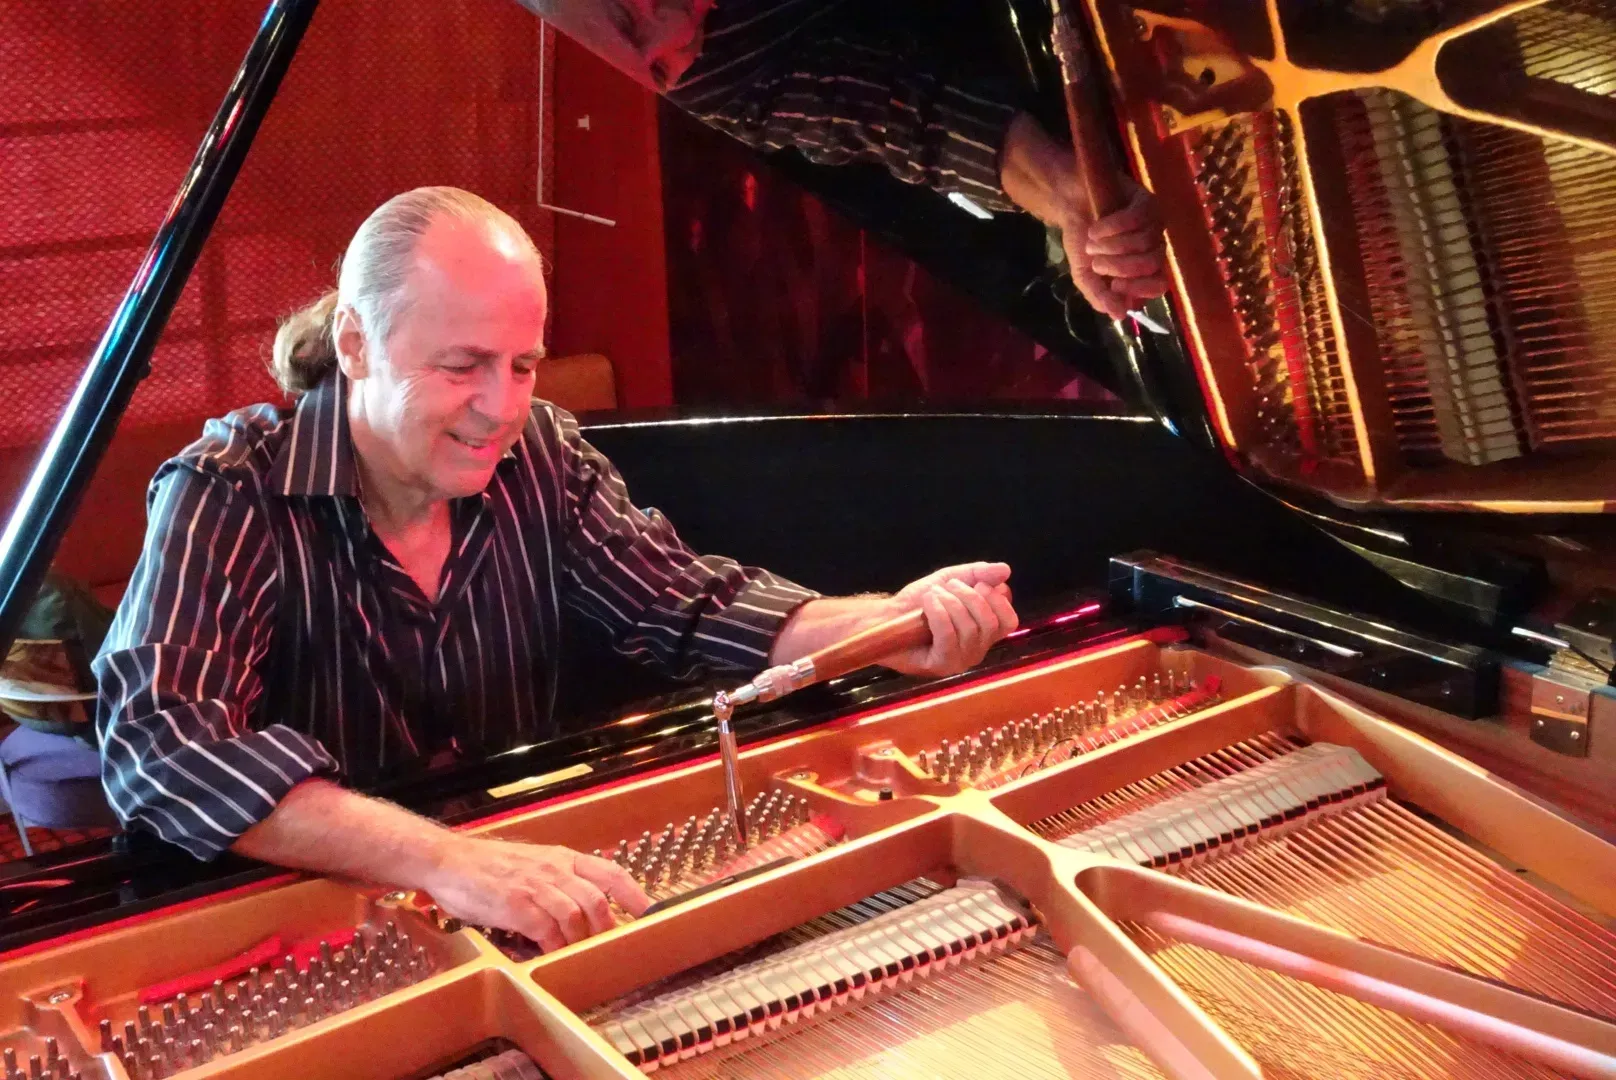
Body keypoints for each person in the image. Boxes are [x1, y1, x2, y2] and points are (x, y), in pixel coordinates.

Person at [95, 186, 1019, 954]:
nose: (500, 408)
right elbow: (160, 748)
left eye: (524, 365)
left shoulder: (539, 452)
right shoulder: (230, 491)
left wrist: (890, 626)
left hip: (523, 895)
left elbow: (689, 605)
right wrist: (447, 861)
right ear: (354, 342)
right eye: (463, 366)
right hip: (303, 933)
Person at [513, 0, 1169, 320]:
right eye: (649, 64)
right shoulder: (700, 73)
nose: (674, 42)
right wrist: (1065, 193)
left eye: (634, 14)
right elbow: (897, 112)